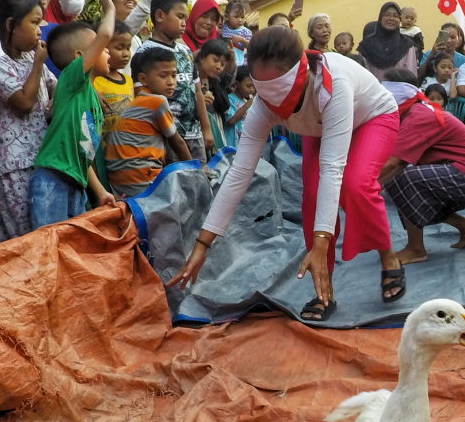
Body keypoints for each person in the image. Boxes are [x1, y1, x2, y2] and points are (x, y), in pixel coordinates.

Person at [168, 26, 407, 321]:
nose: (277, 107)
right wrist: (203, 244)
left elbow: (333, 167)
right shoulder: (263, 107)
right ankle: (324, 291)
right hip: (317, 126)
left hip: (371, 117)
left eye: (281, 92)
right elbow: (239, 173)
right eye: (265, 94)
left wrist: (321, 243)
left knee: (355, 184)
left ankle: (388, 256)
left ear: (303, 73)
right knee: (311, 197)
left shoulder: (335, 86)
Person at [379, 73, 465, 264]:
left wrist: (362, 184)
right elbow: (398, 161)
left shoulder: (418, 116)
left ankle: (415, 249)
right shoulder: (413, 114)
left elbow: (394, 162)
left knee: (403, 180)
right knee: (400, 187)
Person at [29, 0, 117, 228]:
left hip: (75, 182)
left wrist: (100, 192)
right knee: (50, 247)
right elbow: (107, 33)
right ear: (80, 57)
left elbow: (82, 153)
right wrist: (109, 9)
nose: (106, 50)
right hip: (53, 179)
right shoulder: (71, 80)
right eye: (99, 48)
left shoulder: (89, 99)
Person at [0, 0, 54, 241]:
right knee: (23, 241)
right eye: (34, 23)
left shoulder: (31, 58)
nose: (39, 31)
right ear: (11, 24)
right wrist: (38, 65)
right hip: (13, 167)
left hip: (39, 159)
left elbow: (56, 87)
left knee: (42, 235)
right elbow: (23, 102)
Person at [103, 46, 193, 198]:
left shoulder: (138, 101)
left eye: (174, 75)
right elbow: (177, 142)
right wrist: (194, 170)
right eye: (163, 76)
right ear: (143, 79)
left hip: (121, 183)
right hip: (142, 179)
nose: (171, 82)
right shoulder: (157, 102)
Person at [140, 0, 211, 161]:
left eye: (185, 19)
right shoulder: (145, 53)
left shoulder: (185, 50)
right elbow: (141, 98)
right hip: (165, 137)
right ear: (159, 16)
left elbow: (197, 90)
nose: (184, 23)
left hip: (194, 135)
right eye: (179, 17)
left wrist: (206, 128)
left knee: (200, 180)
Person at [358, 1, 419, 81]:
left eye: (396, 16)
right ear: (380, 17)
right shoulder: (366, 45)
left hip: (399, 91)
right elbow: (362, 74)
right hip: (373, 91)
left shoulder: (406, 45)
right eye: (387, 15)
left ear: (399, 19)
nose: (391, 18)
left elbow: (410, 76)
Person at [94, 21, 136, 136]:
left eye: (128, 48)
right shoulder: (93, 81)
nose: (126, 54)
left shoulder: (128, 80)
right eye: (120, 48)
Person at [195, 38, 232, 151]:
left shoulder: (214, 82)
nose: (218, 66)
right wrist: (198, 102)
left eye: (222, 64)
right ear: (201, 57)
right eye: (215, 60)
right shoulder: (190, 79)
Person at [225, 64, 254, 143]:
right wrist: (247, 105)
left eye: (253, 86)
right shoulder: (230, 99)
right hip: (233, 145)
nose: (252, 90)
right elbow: (231, 120)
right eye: (248, 86)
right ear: (236, 84)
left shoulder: (246, 101)